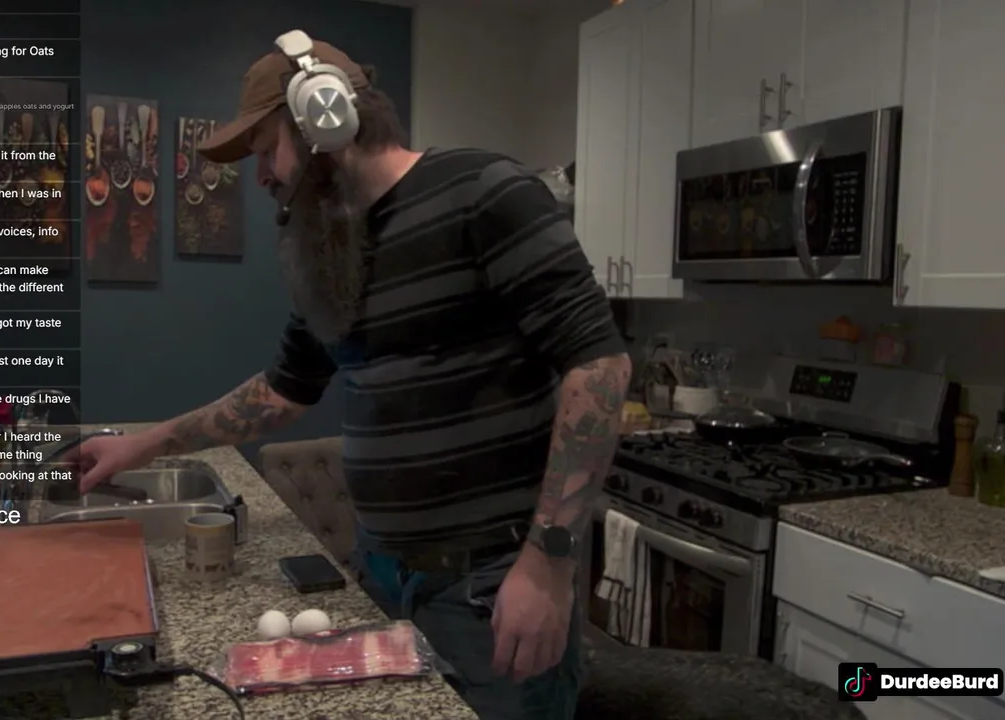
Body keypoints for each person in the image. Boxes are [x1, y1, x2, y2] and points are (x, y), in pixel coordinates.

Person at [65, 31, 630, 720]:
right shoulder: (329, 248)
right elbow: (282, 391)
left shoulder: (485, 193)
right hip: (384, 573)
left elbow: (599, 363)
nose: (261, 176)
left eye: (265, 149)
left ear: (322, 117)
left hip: (494, 583)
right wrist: (145, 444)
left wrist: (548, 565)